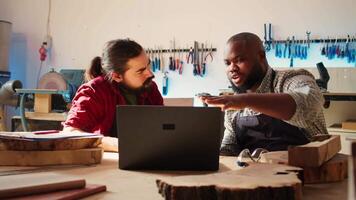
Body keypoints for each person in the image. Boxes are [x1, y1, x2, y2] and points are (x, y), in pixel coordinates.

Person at [200, 32, 328, 156]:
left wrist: (245, 100)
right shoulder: (233, 106)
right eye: (228, 63)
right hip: (254, 176)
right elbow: (230, 148)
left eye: (239, 60)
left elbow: (307, 104)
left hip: (307, 174)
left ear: (261, 56)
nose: (232, 68)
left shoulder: (290, 79)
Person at [62, 39, 163, 151]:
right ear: (117, 76)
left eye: (148, 66)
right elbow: (70, 132)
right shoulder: (94, 91)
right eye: (140, 71)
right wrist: (117, 144)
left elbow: (162, 127)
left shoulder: (150, 88)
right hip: (106, 162)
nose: (150, 74)